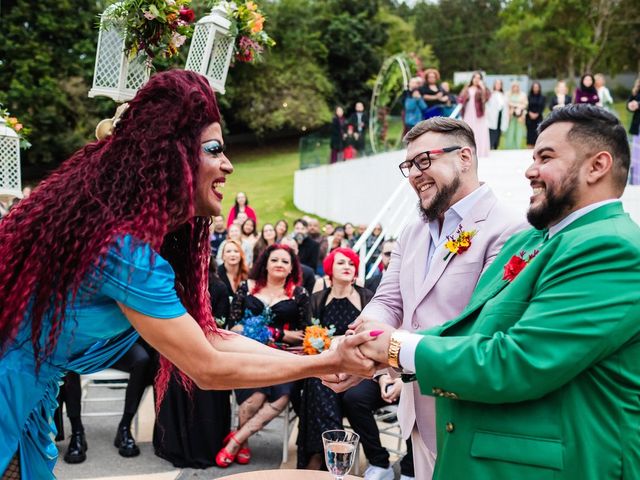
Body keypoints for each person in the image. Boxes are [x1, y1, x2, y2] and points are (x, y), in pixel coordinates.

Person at [0, 70, 376, 479]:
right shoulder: (124, 250)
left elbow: (211, 336)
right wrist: (323, 363)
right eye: (214, 150)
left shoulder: (135, 238)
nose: (228, 165)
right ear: (171, 157)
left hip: (27, 397)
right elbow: (207, 366)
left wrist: (318, 356)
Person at [349, 105, 640, 479]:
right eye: (533, 156)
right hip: (469, 430)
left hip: (567, 461)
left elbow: (518, 359)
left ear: (597, 166)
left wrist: (394, 348)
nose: (529, 170)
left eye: (545, 157)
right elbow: (472, 330)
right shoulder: (537, 239)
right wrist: (374, 344)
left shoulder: (610, 247)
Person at [324, 116, 527, 478]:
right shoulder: (412, 230)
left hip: (468, 413)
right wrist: (357, 345)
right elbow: (388, 302)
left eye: (424, 161)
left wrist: (382, 355)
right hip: (415, 410)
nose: (415, 174)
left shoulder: (509, 228)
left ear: (465, 157)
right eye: (409, 165)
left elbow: (480, 330)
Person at [221, 244, 310, 468]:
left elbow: (303, 335)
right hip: (248, 353)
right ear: (265, 264)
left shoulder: (298, 294)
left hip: (283, 357)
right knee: (256, 397)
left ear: (291, 268)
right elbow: (234, 326)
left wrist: (272, 332)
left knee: (282, 395)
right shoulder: (247, 287)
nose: (279, 264)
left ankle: (236, 440)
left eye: (285, 261)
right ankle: (245, 442)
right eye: (275, 260)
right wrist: (279, 333)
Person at [296, 248, 376, 469]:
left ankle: (324, 455)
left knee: (320, 383)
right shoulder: (317, 299)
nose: (348, 267)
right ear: (330, 268)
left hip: (359, 364)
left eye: (351, 263)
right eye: (341, 263)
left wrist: (339, 342)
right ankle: (327, 453)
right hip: (328, 362)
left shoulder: (366, 297)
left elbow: (371, 335)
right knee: (317, 380)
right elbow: (311, 336)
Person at [153, 265, 232, 468]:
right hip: (174, 348)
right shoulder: (171, 284)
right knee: (173, 376)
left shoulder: (219, 287)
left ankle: (207, 443)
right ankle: (174, 443)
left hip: (208, 347)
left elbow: (222, 323)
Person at [57, 339, 154, 463]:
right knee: (65, 360)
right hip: (83, 347)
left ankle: (124, 427)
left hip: (117, 345)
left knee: (142, 359)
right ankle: (77, 432)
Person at [458, 71, 491, 158]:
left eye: (479, 78)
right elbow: (460, 99)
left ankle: (480, 152)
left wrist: (483, 87)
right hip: (468, 112)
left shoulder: (483, 89)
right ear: (472, 79)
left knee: (480, 131)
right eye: (475, 78)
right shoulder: (467, 89)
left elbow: (487, 98)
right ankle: (468, 151)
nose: (476, 80)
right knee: (469, 131)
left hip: (479, 113)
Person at [486, 79, 509, 150]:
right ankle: (490, 147)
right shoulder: (491, 94)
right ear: (494, 85)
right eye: (496, 84)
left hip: (500, 116)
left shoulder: (504, 95)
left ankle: (496, 147)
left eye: (499, 84)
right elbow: (487, 105)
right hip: (492, 117)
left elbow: (505, 107)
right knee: (492, 132)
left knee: (498, 132)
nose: (498, 85)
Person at [504, 82, 528, 149]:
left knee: (519, 131)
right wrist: (516, 105)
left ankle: (517, 147)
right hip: (510, 116)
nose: (515, 88)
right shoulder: (508, 94)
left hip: (519, 116)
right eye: (514, 86)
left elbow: (525, 104)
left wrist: (518, 107)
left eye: (517, 86)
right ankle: (509, 148)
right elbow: (507, 103)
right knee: (510, 131)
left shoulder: (523, 94)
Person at [525, 81, 546, 148]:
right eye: (534, 87)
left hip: (538, 118)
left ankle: (537, 149)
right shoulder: (528, 97)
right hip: (529, 119)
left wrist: (537, 114)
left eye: (537, 87)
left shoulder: (542, 97)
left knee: (538, 134)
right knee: (530, 135)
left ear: (539, 88)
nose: (535, 88)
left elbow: (542, 107)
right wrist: (530, 113)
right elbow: (526, 106)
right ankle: (528, 149)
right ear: (532, 88)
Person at [628, 76, 640, 185]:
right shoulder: (636, 91)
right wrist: (630, 105)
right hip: (638, 126)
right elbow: (629, 103)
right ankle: (636, 181)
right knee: (637, 154)